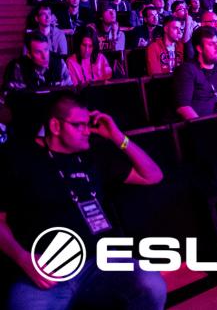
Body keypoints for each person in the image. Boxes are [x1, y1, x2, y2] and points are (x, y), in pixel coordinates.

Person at [0, 92, 166, 309]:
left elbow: (153, 176)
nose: (87, 131)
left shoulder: (93, 156)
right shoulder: (18, 159)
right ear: (55, 126)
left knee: (152, 285)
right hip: (47, 268)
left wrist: (117, 137)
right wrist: (24, 259)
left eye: (88, 125)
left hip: (100, 261)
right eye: (79, 125)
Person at [174, 26, 217, 119]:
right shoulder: (187, 69)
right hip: (201, 121)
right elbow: (183, 107)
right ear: (199, 49)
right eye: (211, 44)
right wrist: (202, 125)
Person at [3, 32, 73, 95]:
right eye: (38, 52)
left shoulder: (59, 64)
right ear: (29, 54)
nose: (44, 57)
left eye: (46, 50)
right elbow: (9, 96)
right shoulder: (19, 68)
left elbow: (70, 90)